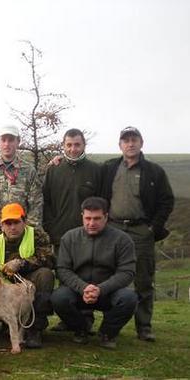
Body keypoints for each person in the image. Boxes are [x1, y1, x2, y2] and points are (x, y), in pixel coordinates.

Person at [100, 126, 174, 342]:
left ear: (141, 143)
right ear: (120, 145)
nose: (130, 144)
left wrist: (153, 227)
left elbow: (166, 201)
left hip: (141, 230)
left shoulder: (154, 171)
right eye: (126, 140)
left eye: (134, 139)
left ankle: (144, 327)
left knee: (143, 279)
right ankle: (111, 326)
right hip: (112, 229)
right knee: (110, 278)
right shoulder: (109, 167)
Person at [51, 197, 138, 349]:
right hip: (78, 291)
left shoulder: (123, 240)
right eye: (88, 218)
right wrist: (83, 288)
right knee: (58, 298)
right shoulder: (69, 238)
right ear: (82, 217)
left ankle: (107, 333)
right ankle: (81, 329)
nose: (91, 223)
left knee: (129, 298)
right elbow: (63, 269)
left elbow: (127, 272)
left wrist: (101, 289)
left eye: (97, 218)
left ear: (106, 217)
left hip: (108, 292)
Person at [43, 128, 100, 332]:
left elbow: (102, 202)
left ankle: (86, 318)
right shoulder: (54, 169)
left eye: (77, 144)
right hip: (60, 234)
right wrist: (50, 227)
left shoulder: (95, 170)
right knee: (63, 274)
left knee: (86, 274)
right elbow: (46, 201)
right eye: (69, 145)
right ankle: (66, 318)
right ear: (63, 146)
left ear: (84, 145)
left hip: (88, 234)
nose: (73, 149)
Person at [0, 203, 54, 348]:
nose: (12, 227)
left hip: (30, 280)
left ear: (24, 222)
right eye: (8, 223)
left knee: (46, 275)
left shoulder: (37, 235)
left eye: (16, 222)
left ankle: (35, 328)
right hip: (4, 284)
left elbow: (49, 259)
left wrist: (21, 263)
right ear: (2, 226)